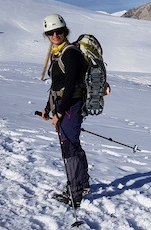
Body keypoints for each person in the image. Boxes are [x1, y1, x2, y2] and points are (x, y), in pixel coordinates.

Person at [40, 14, 89, 208]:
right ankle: (82, 184)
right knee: (73, 145)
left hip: (71, 105)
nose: (55, 35)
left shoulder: (69, 53)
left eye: (58, 31)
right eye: (50, 32)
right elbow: (56, 85)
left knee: (69, 148)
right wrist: (47, 108)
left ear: (65, 31)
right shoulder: (56, 52)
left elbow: (69, 87)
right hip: (63, 104)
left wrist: (59, 112)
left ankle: (75, 193)